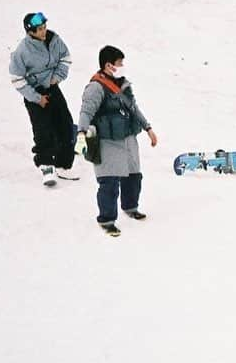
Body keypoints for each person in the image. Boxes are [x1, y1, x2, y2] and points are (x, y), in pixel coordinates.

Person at [75, 46, 158, 237]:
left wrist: (148, 128)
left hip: (128, 137)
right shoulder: (95, 88)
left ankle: (130, 207)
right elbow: (86, 112)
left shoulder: (124, 84)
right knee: (109, 182)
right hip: (108, 141)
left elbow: (134, 108)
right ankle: (107, 219)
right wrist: (81, 133)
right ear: (108, 65)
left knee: (133, 176)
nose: (123, 66)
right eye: (120, 63)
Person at [8, 12, 76, 186]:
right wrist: (37, 98)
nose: (44, 31)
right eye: (40, 29)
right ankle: (47, 166)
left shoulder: (54, 40)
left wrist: (56, 78)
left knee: (65, 124)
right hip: (34, 93)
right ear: (30, 31)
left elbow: (66, 58)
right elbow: (17, 79)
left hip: (52, 88)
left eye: (44, 27)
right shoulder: (22, 51)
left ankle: (64, 164)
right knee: (42, 131)